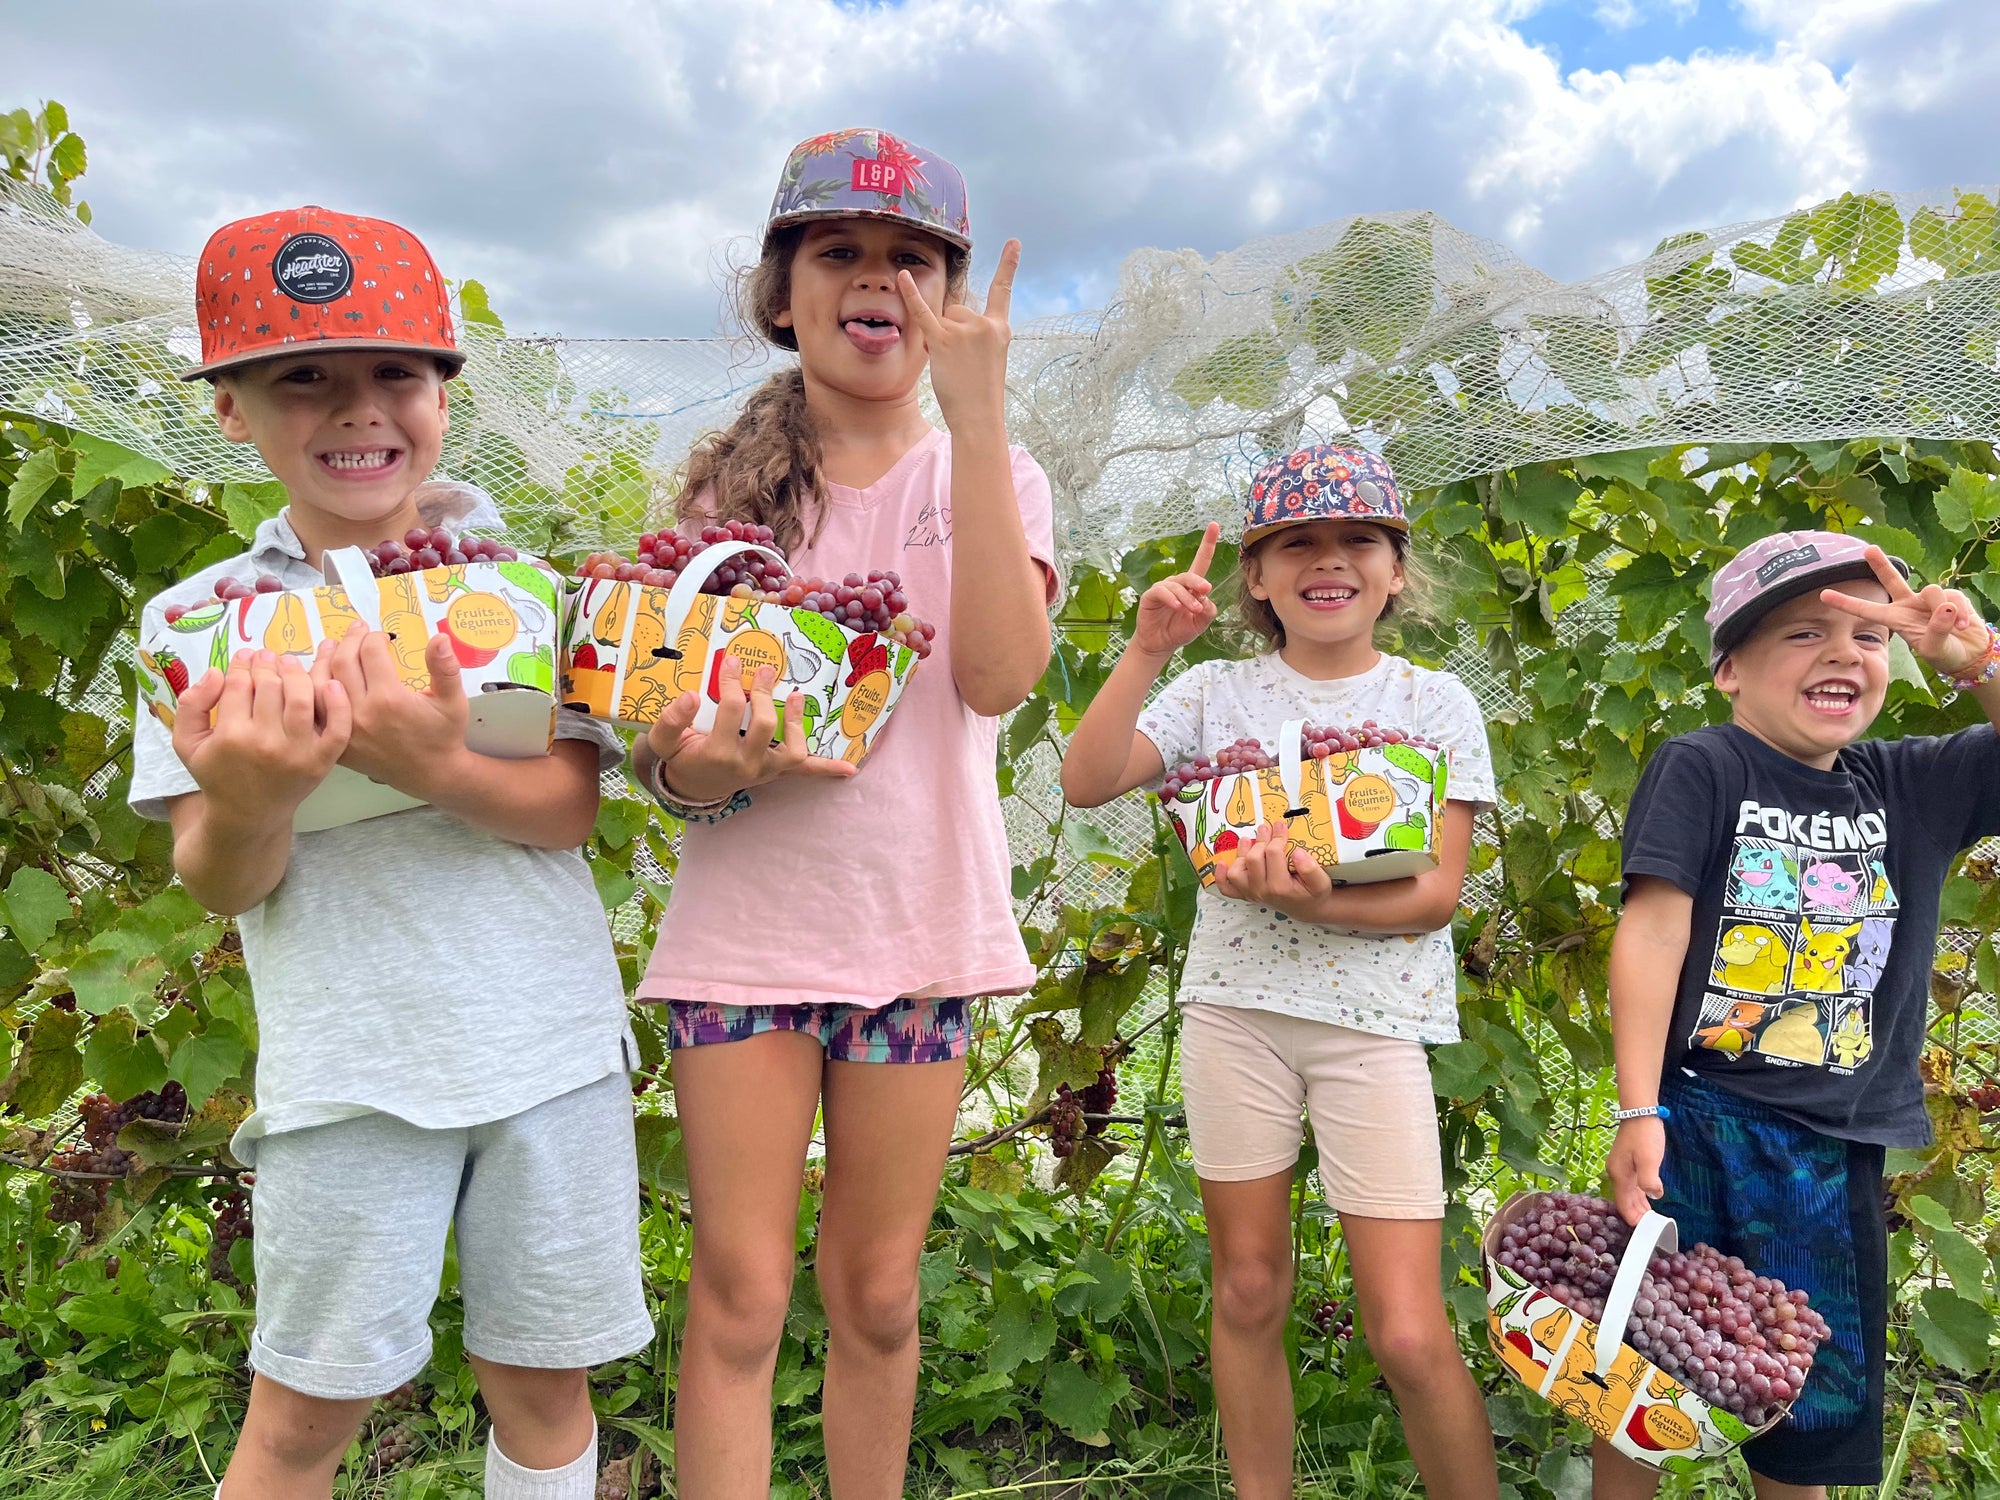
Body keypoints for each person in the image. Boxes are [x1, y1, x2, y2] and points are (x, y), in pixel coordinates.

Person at [129, 206, 648, 1500]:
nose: (358, 409)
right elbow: (216, 876)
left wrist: (428, 767)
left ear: (445, 399)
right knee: (306, 1406)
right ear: (232, 410)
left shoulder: (521, 593)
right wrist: (255, 800)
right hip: (350, 1069)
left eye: (394, 372)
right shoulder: (204, 628)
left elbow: (569, 806)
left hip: (552, 1052)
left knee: (544, 1385)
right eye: (303, 374)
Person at [629, 130, 1059, 1498]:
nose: (879, 279)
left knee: (876, 1293)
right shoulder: (726, 501)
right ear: (784, 291)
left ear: (946, 297)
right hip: (750, 933)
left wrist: (980, 423)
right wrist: (725, 765)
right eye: (841, 252)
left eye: (911, 258)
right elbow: (664, 761)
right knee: (741, 1293)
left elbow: (995, 676)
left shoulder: (992, 474)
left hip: (915, 933)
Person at [1061, 443, 1500, 1500]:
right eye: (1293, 543)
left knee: (1403, 1327)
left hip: (1373, 1027)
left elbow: (1436, 893)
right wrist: (1143, 653)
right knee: (1247, 1288)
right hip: (1235, 1018)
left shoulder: (1433, 704)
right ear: (1252, 577)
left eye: (1357, 540)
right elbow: (1083, 782)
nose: (1327, 561)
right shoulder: (1212, 693)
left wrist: (1313, 897)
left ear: (1395, 569)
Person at [1601, 531, 2000, 1499]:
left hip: (1829, 1153)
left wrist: (1979, 658)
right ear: (1729, 670)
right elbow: (1651, 936)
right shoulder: (1701, 768)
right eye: (1799, 633)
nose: (1838, 654)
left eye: (1865, 637)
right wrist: (1634, 1107)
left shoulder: (1907, 788)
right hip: (1693, 1121)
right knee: (1635, 1382)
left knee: (1804, 1407)